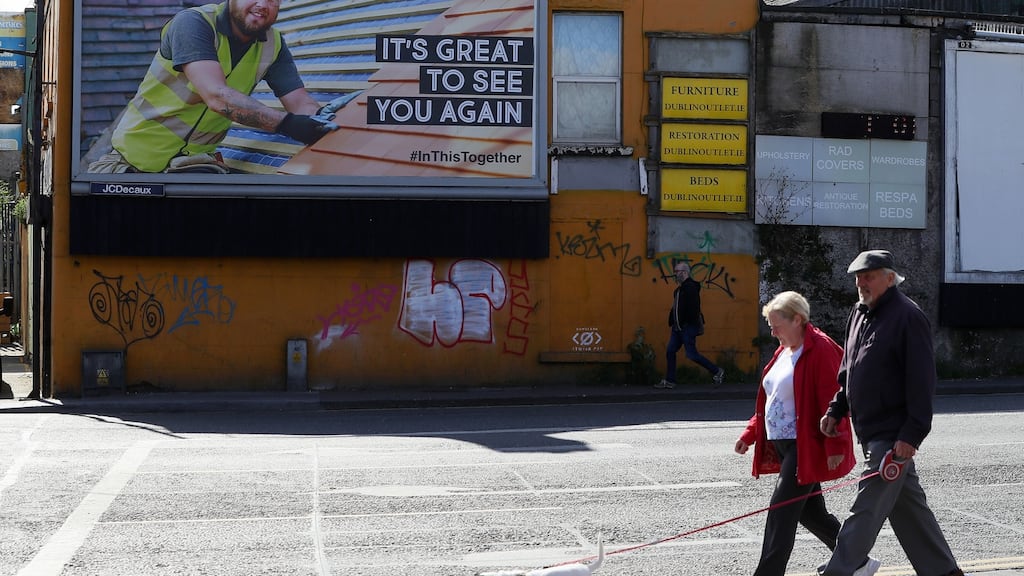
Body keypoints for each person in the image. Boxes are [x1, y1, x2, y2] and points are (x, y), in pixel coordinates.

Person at [818, 250, 964, 576]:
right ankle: (944, 572)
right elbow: (849, 371)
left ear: (889, 277)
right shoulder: (858, 313)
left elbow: (922, 382)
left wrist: (911, 435)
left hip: (892, 434)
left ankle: (841, 570)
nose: (861, 283)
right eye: (857, 277)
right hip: (869, 431)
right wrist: (836, 409)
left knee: (865, 510)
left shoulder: (907, 316)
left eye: (868, 276)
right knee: (911, 513)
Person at [87, 0, 337, 174]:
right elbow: (217, 97)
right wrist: (287, 124)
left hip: (189, 169)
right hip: (130, 165)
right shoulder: (193, 24)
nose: (263, 4)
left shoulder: (274, 45)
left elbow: (300, 103)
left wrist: (323, 122)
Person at [735, 291, 858, 576]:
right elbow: (772, 401)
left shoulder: (821, 348)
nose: (772, 331)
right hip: (784, 446)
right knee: (812, 515)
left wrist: (835, 447)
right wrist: (750, 433)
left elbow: (836, 400)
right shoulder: (783, 350)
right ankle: (857, 559)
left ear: (798, 319)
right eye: (771, 325)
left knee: (780, 512)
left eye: (777, 324)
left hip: (807, 446)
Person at [656, 261, 725, 388]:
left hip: (687, 327)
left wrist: (686, 323)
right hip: (677, 328)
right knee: (670, 351)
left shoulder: (691, 288)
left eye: (677, 272)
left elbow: (693, 309)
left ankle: (717, 371)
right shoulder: (679, 290)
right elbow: (676, 308)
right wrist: (673, 321)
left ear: (685, 272)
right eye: (675, 271)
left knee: (692, 354)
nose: (675, 274)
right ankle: (670, 380)